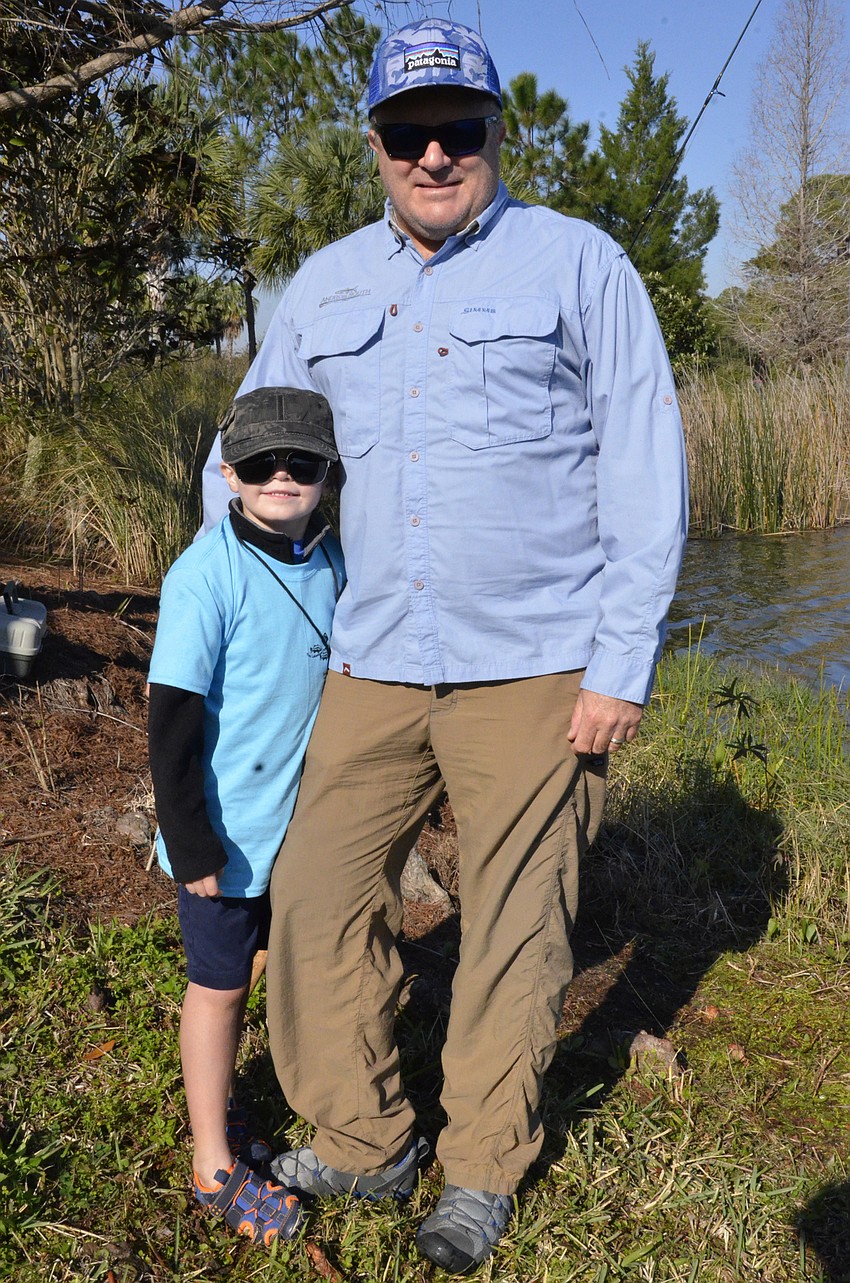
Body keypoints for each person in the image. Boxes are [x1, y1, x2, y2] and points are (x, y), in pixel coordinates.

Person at [200, 16, 688, 1274]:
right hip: (364, 659)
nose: (432, 155)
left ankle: (478, 1166)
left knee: (519, 927)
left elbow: (645, 473)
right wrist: (232, 600)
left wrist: (618, 665)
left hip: (536, 665)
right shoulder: (324, 284)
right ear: (373, 145)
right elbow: (244, 450)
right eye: (407, 133)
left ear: (490, 133)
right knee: (312, 893)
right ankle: (364, 1133)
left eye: (455, 129)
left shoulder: (582, 266)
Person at [149, 386, 344, 1248]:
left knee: (265, 968)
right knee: (219, 985)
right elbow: (172, 721)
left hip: (297, 837)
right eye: (260, 463)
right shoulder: (205, 574)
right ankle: (210, 1159)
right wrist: (192, 840)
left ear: (326, 474)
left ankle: (227, 1099)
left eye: (299, 462)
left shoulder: (333, 560)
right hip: (223, 843)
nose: (280, 477)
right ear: (228, 473)